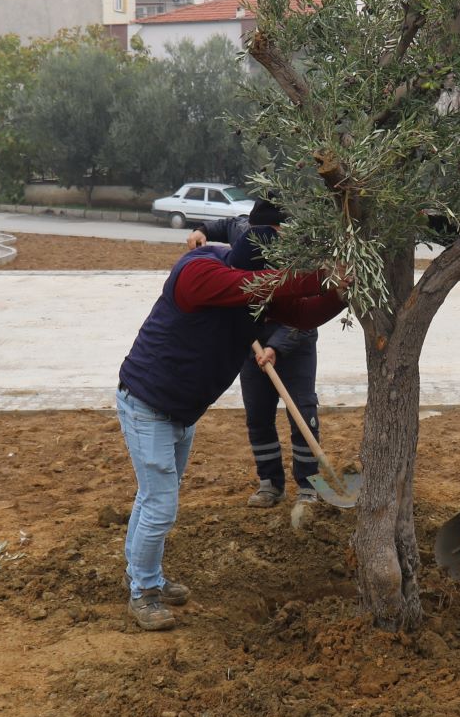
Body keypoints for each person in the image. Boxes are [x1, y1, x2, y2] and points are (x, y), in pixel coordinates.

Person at [116, 232, 344, 630]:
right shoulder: (198, 271)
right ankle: (143, 592)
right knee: (160, 504)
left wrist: (340, 291)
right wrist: (323, 273)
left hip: (180, 410)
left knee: (152, 497)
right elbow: (268, 284)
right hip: (148, 402)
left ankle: (141, 573)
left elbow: (304, 316)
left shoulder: (255, 291)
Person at [191, 201, 323, 507]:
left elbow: (307, 316)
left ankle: (309, 485)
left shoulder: (299, 252)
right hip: (251, 340)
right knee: (258, 416)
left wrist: (276, 347)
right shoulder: (245, 233)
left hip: (294, 339)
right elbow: (224, 225)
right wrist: (200, 231)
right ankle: (270, 484)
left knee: (303, 412)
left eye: (276, 232)